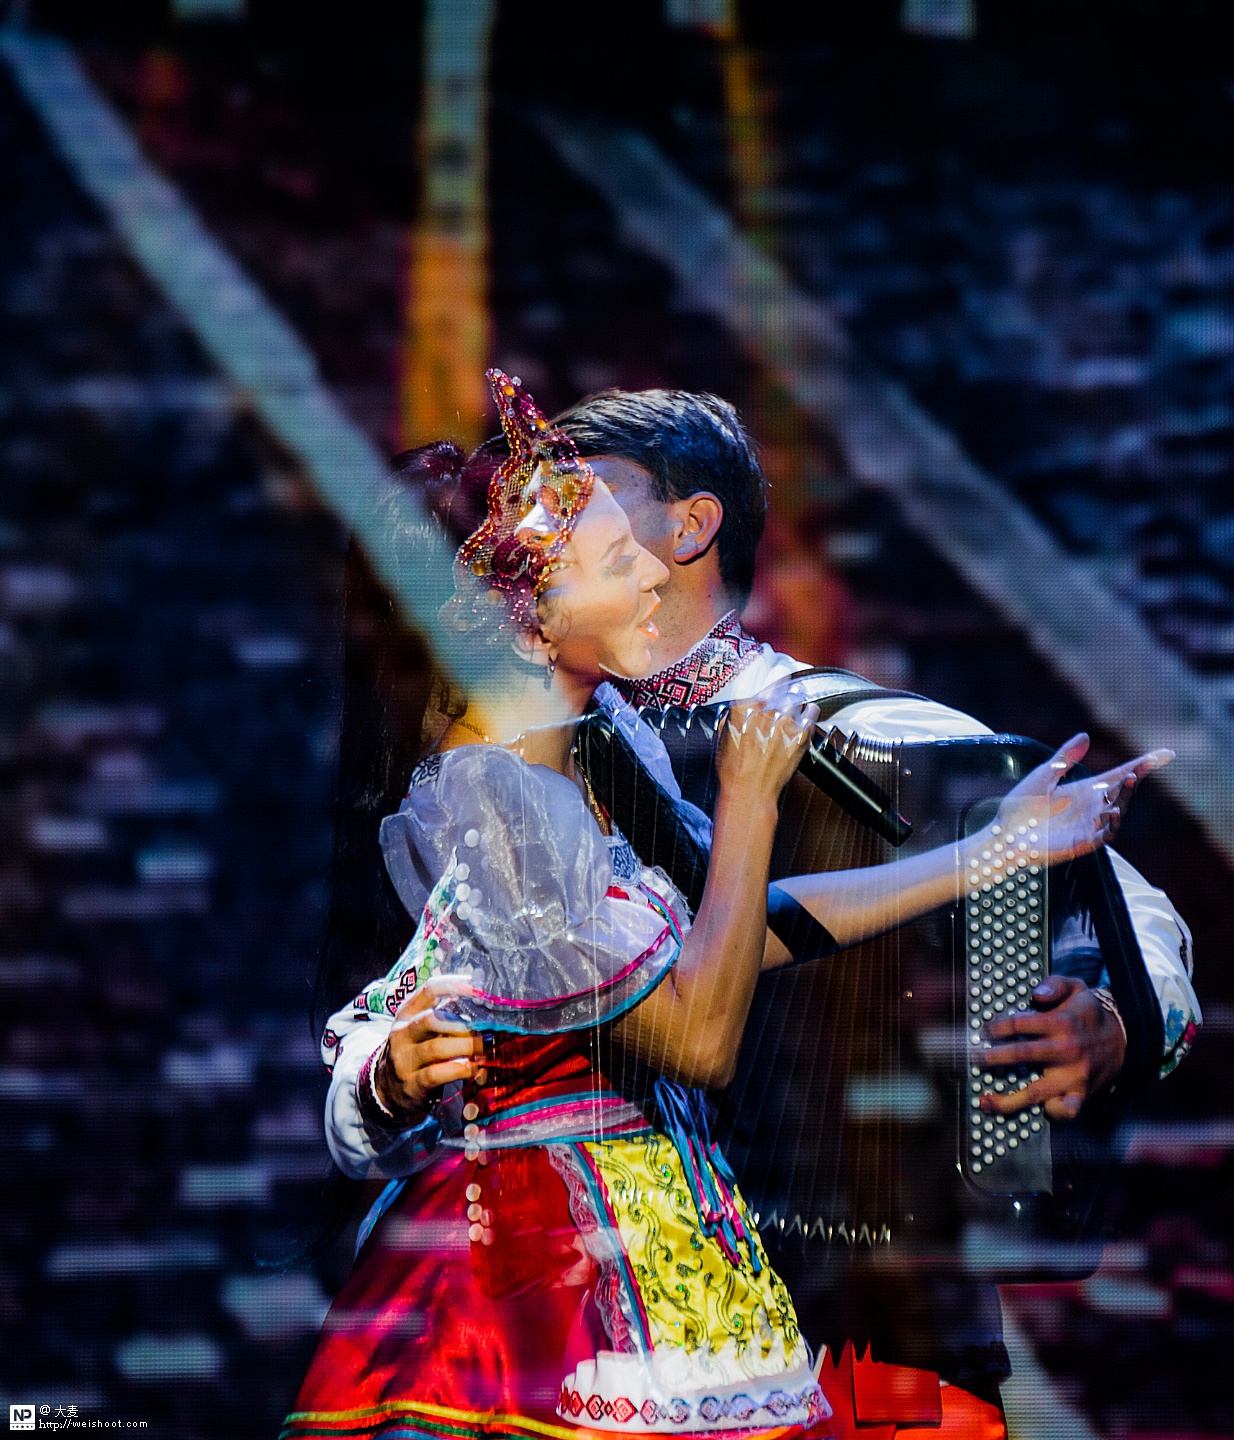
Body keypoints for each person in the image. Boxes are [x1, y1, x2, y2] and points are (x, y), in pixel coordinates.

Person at [284, 373, 1167, 1440]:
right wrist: (377, 1077)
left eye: (595, 504)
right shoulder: (504, 769)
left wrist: (1103, 999)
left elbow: (1111, 912)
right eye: (578, 530)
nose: (600, 538)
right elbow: (444, 979)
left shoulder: (808, 731)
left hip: (798, 1304)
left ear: (691, 526)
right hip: (570, 1276)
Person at [548, 386, 1203, 1432]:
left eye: (576, 495)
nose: (537, 523)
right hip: (599, 1342)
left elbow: (1123, 903)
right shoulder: (520, 750)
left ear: (689, 526)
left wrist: (1112, 1020)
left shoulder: (871, 734)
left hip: (872, 1350)